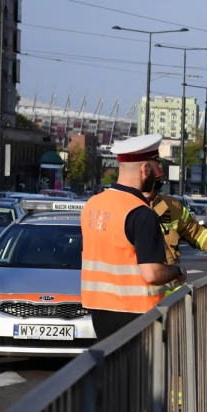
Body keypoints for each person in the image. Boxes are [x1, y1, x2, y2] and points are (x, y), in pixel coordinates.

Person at [81, 134, 186, 340]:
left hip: (100, 313)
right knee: (140, 373)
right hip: (137, 315)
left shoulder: (92, 205)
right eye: (156, 169)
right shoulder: (141, 213)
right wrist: (177, 271)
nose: (158, 176)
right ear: (145, 169)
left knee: (113, 371)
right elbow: (152, 274)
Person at [144, 177, 207, 273]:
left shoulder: (172, 206)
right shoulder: (130, 205)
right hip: (139, 286)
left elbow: (196, 233)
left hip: (168, 284)